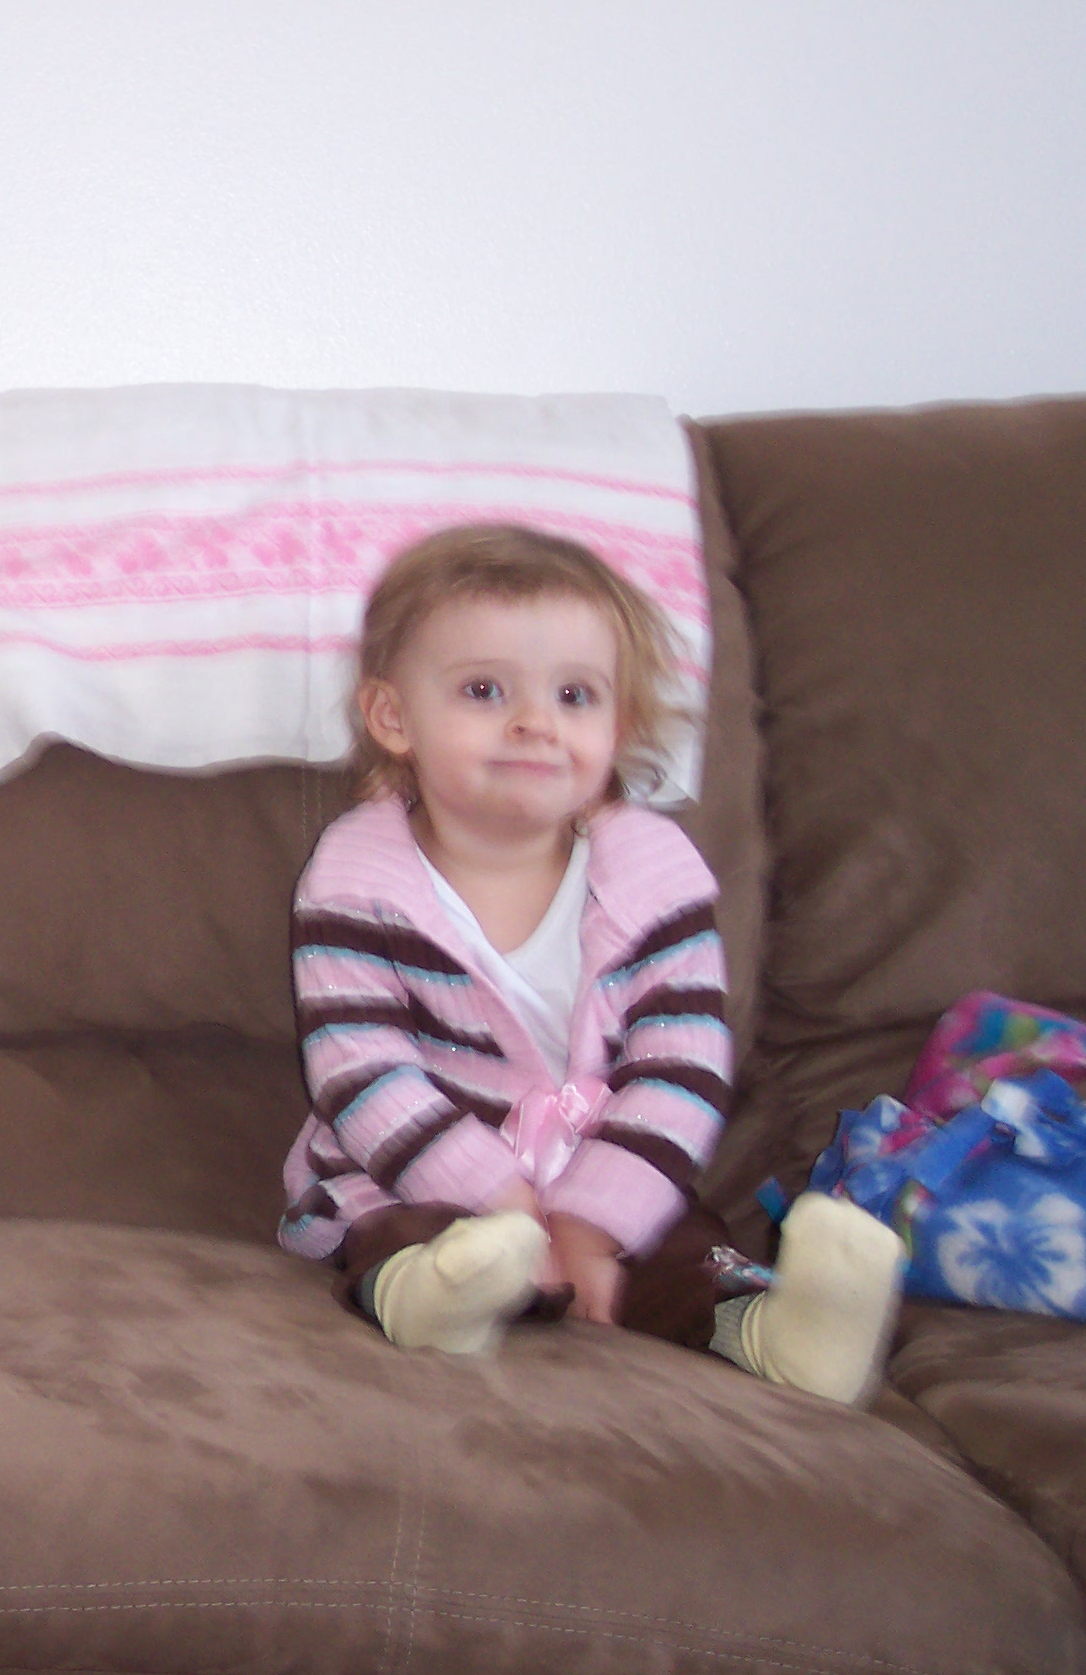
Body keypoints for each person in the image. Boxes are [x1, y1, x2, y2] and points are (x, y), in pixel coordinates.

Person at [278, 523, 905, 1403]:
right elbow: (361, 1072)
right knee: (401, 1237)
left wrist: (593, 1218)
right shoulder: (357, 876)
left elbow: (680, 1070)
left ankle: (777, 1333)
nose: (536, 723)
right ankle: (431, 1301)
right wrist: (502, 1200)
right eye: (485, 690)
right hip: (412, 1175)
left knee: (687, 1249)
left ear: (619, 726)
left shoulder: (653, 874)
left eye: (575, 695)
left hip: (600, 1166)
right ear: (394, 718)